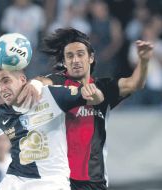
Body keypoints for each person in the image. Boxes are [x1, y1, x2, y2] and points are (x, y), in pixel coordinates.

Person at [17, 28, 153, 190]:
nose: (75, 60)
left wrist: (143, 61)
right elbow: (41, 82)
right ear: (64, 62)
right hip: (60, 179)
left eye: (80, 54)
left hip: (95, 180)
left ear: (91, 58)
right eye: (70, 56)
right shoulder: (57, 82)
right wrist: (34, 84)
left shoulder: (104, 87)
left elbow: (135, 83)